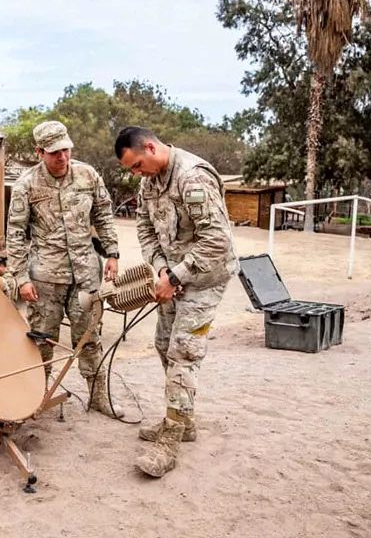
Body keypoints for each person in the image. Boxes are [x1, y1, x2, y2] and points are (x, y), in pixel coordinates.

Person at [114, 125, 238, 478]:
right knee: (162, 343)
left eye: (138, 165)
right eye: (132, 170)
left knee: (182, 351)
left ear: (151, 148)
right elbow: (145, 229)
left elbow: (218, 239)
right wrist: (160, 269)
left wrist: (176, 276)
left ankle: (170, 440)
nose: (137, 174)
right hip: (173, 277)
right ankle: (185, 420)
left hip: (204, 278)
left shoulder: (191, 177)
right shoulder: (148, 182)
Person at [6, 120, 123, 419]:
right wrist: (20, 277)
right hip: (45, 279)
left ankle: (98, 397)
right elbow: (16, 234)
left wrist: (112, 252)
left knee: (89, 338)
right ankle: (35, 398)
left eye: (66, 150)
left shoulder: (88, 175)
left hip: (85, 275)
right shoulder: (26, 185)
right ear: (40, 152)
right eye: (55, 152)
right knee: (41, 341)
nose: (62, 157)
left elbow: (103, 214)